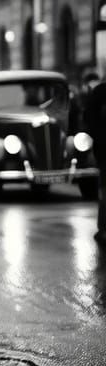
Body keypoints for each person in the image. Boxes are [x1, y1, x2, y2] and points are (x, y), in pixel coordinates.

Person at [83, 72, 106, 244]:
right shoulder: (99, 93)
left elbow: (90, 120)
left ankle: (103, 228)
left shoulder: (98, 93)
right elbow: (90, 120)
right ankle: (103, 227)